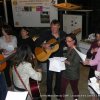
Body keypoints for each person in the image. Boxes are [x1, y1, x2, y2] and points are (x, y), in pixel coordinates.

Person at [35, 19, 66, 100]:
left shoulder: (63, 34)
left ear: (59, 27)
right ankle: (49, 93)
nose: (53, 29)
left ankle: (57, 91)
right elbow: (37, 41)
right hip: (50, 58)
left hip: (60, 58)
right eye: (52, 27)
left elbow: (70, 41)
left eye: (55, 27)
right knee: (49, 77)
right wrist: (44, 44)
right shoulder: (47, 33)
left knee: (59, 77)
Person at [60, 34, 81, 100]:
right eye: (66, 41)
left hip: (73, 74)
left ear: (74, 41)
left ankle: (75, 99)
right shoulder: (69, 48)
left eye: (69, 41)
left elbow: (74, 63)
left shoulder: (77, 51)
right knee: (62, 88)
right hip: (65, 72)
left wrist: (64, 61)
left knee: (74, 89)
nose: (67, 43)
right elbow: (66, 57)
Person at [0, 24, 17, 89]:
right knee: (6, 71)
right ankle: (9, 85)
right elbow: (0, 48)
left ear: (6, 30)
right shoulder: (1, 38)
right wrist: (3, 50)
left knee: (14, 71)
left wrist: (14, 50)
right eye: (2, 30)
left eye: (3, 30)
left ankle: (15, 83)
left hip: (13, 56)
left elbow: (16, 47)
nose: (2, 31)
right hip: (4, 57)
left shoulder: (14, 37)